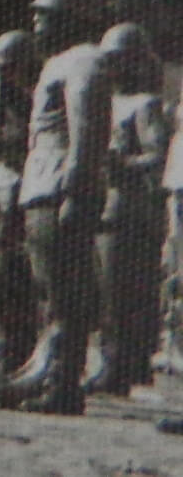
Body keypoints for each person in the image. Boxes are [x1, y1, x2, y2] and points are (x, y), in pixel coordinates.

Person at [18, 0, 113, 415]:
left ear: (73, 19)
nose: (38, 25)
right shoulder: (61, 61)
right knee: (51, 291)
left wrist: (75, 192)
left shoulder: (83, 61)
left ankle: (62, 385)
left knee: (65, 295)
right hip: (44, 187)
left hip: (60, 189)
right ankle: (54, 377)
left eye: (47, 17)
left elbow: (86, 133)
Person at [94, 23, 165, 396]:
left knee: (124, 291)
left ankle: (121, 367)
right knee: (108, 291)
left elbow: (156, 154)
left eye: (117, 61)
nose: (110, 69)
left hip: (130, 208)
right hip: (108, 202)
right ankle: (119, 363)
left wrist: (121, 163)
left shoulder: (145, 104)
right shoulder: (105, 100)